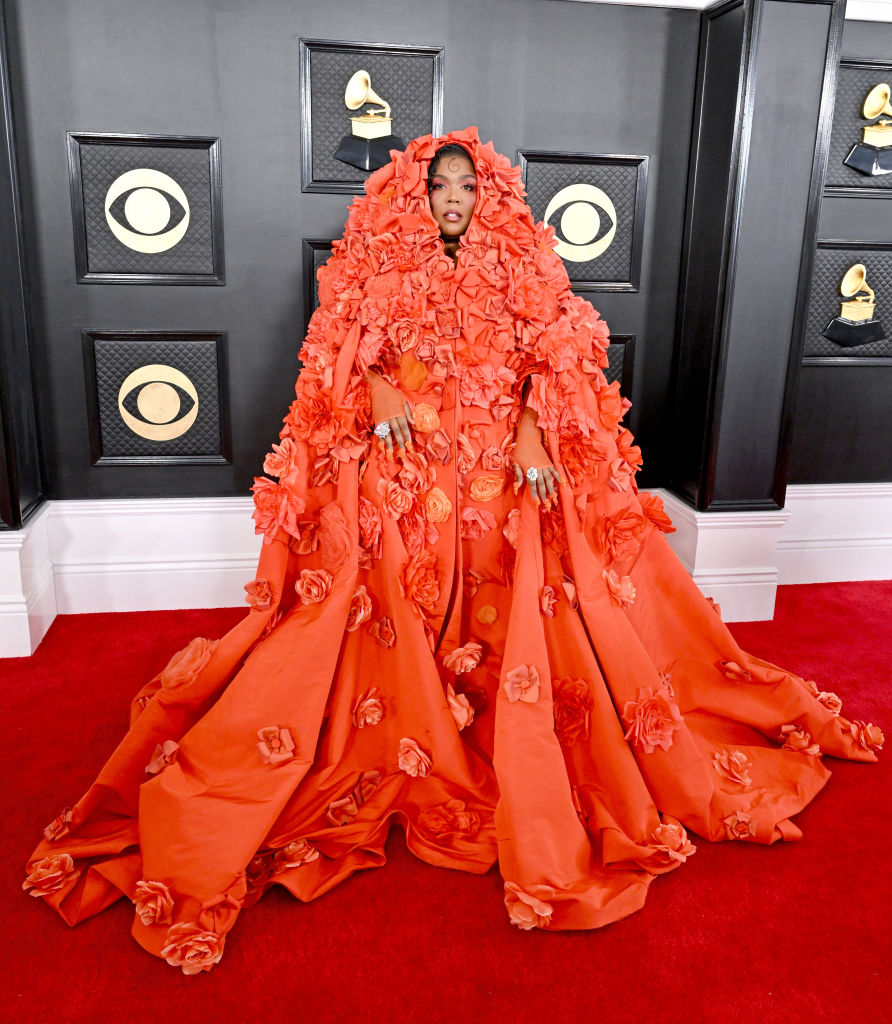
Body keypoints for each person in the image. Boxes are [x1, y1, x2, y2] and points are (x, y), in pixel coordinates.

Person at [23, 127, 883, 974]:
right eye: (439, 188)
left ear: (491, 196)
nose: (454, 202)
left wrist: (537, 437)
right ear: (413, 194)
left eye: (468, 189)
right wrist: (377, 382)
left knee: (538, 572)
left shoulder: (527, 264)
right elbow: (332, 355)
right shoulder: (368, 265)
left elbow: (563, 359)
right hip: (406, 461)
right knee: (376, 577)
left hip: (497, 466)